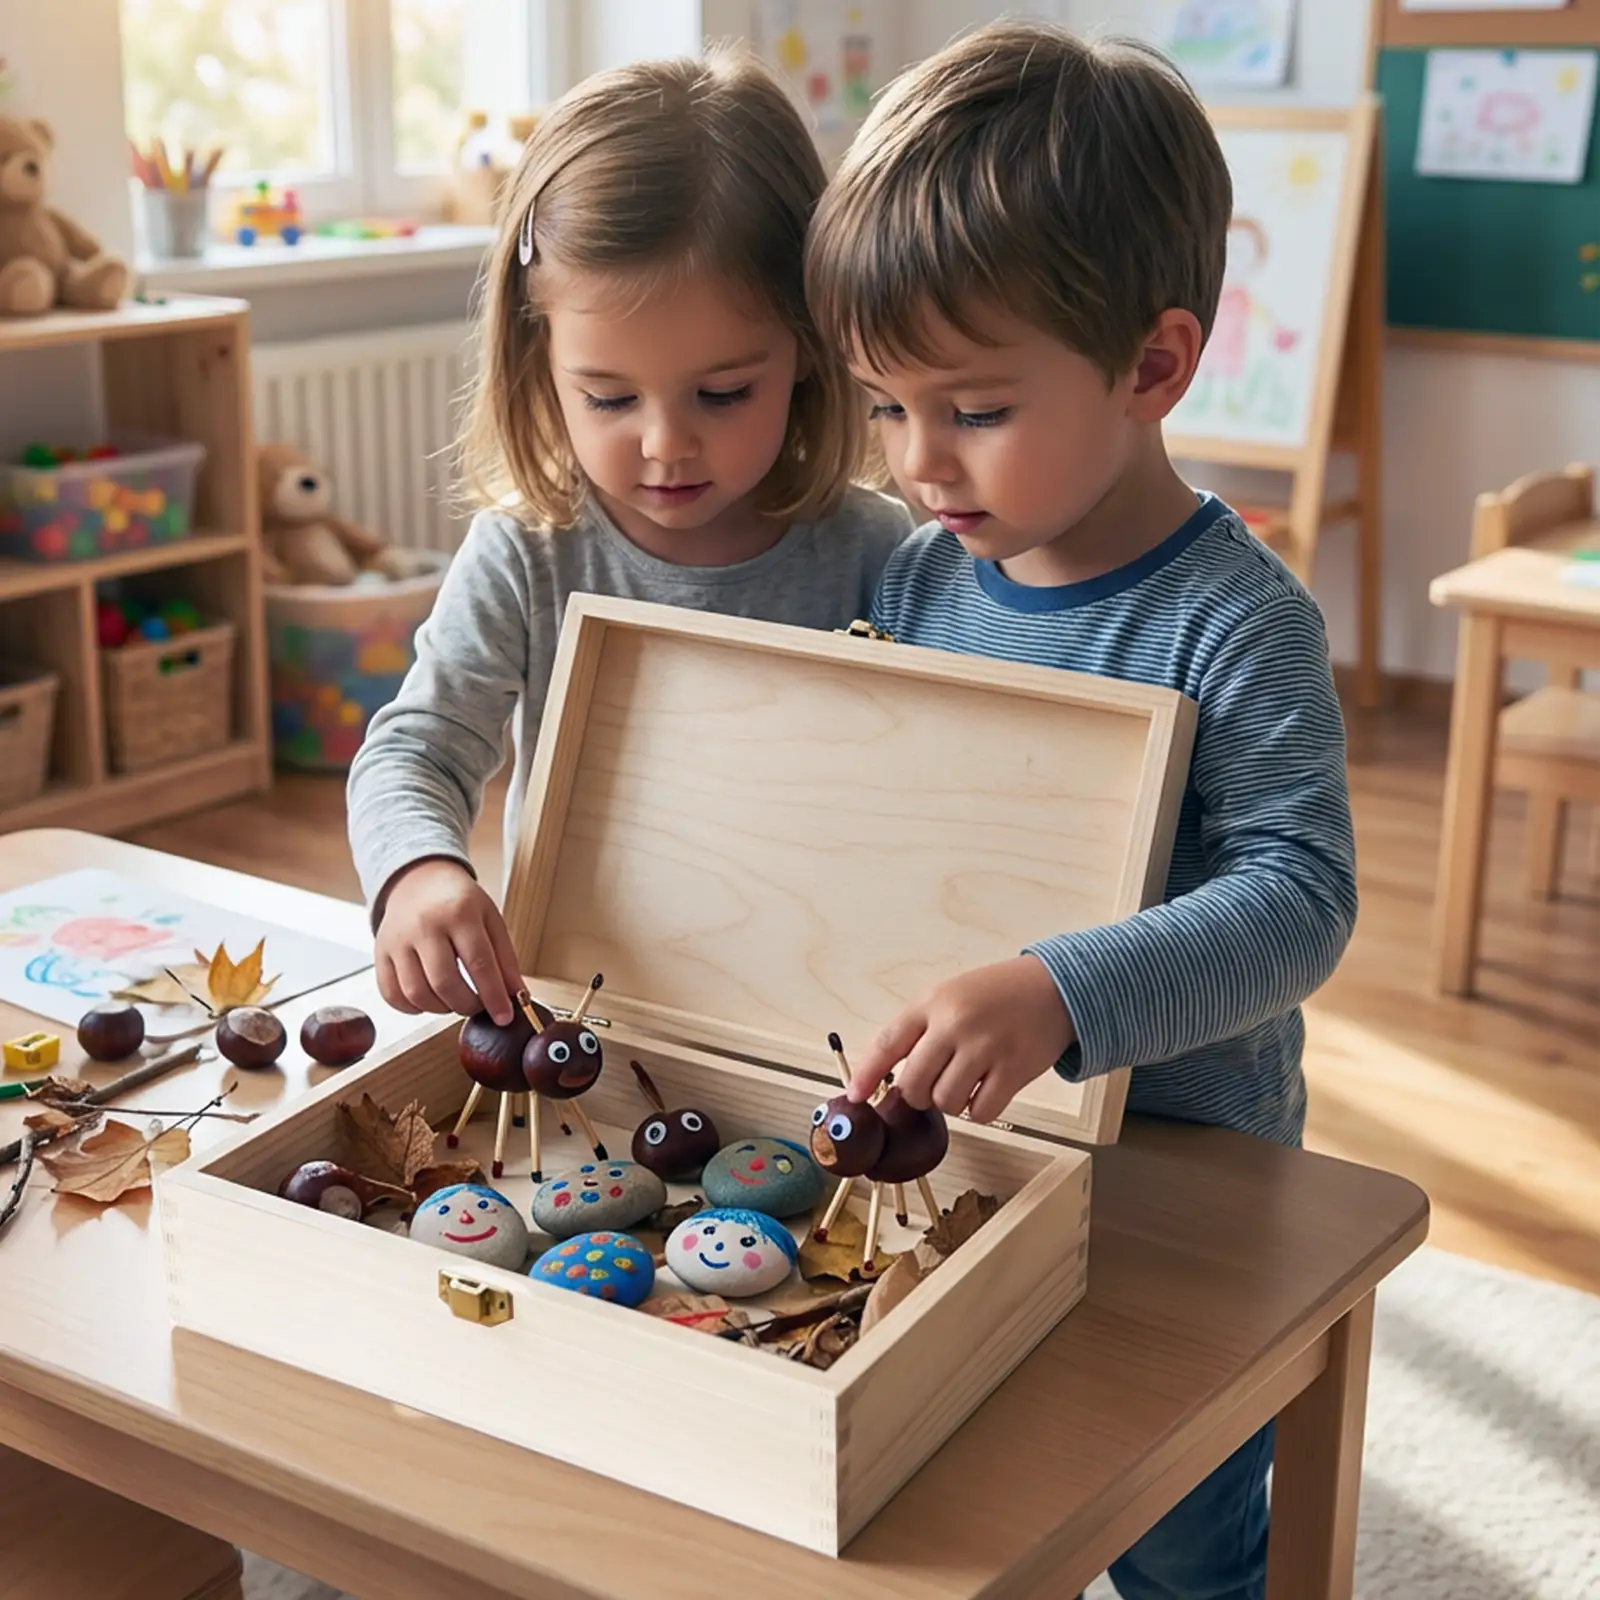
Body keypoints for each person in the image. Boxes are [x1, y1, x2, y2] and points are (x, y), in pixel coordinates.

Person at [804, 21, 1357, 1600]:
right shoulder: (914, 579)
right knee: (978, 1472)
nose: (916, 465)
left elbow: (1302, 897)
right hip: (975, 1138)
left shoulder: (1235, 620)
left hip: (1188, 1173)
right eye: (884, 408)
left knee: (1173, 1521)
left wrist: (1066, 990)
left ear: (1156, 365)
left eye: (971, 410)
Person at [348, 48, 910, 1029]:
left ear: (811, 350)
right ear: (538, 354)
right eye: (607, 396)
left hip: (813, 1017)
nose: (665, 445)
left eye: (724, 392)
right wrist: (419, 873)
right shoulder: (528, 552)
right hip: (578, 1012)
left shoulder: (876, 552)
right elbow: (417, 749)